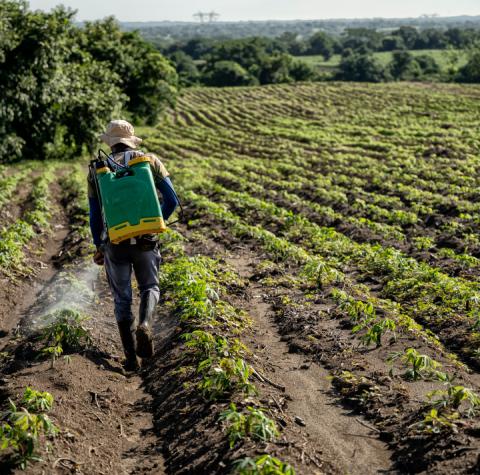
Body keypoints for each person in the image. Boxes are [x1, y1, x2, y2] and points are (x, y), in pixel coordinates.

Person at [88, 120, 178, 371]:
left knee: (121, 298)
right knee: (150, 286)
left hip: (115, 241)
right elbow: (172, 200)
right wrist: (154, 222)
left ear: (110, 142)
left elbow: (95, 215)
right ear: (131, 139)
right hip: (146, 241)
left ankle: (130, 360)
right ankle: (145, 325)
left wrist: (99, 245)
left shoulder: (98, 168)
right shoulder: (149, 161)